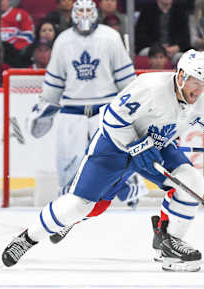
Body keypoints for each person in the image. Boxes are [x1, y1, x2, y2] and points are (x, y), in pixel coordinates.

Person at [0, 49, 204, 272]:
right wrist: (134, 146)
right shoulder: (150, 88)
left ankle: (168, 246)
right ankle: (27, 238)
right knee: (83, 206)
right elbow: (112, 120)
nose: (202, 89)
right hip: (114, 145)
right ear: (181, 76)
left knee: (191, 182)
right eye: (197, 81)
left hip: (157, 147)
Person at [24, 0, 144, 204]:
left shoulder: (110, 37)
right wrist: (46, 103)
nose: (85, 15)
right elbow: (55, 81)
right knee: (68, 159)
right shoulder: (63, 40)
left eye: (89, 10)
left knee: (116, 153)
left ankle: (129, 190)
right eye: (80, 11)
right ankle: (69, 196)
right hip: (72, 110)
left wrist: (135, 105)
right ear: (73, 14)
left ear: (96, 13)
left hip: (106, 109)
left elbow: (125, 79)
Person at [135, 0, 190, 64]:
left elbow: (186, 38)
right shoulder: (147, 11)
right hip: (152, 48)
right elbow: (140, 36)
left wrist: (177, 47)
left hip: (173, 50)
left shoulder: (180, 11)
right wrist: (159, 47)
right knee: (150, 54)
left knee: (183, 58)